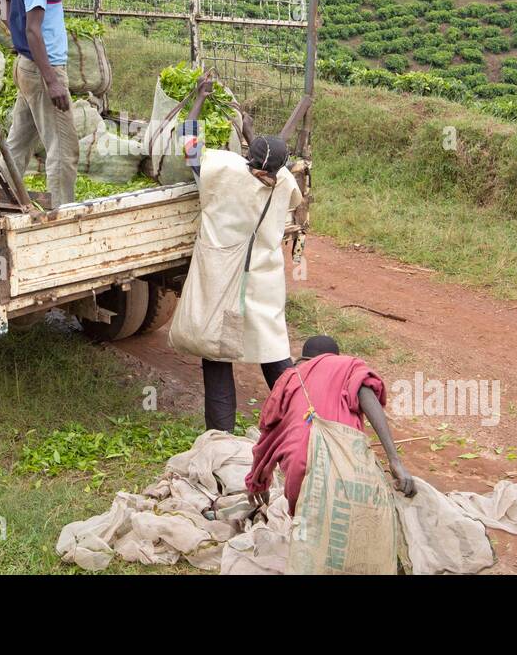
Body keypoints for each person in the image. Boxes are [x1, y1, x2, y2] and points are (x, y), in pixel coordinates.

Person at [167, 74, 303, 432]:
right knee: (274, 357)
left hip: (221, 279)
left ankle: (220, 438)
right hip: (264, 283)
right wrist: (251, 133)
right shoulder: (286, 182)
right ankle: (305, 423)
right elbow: (272, 168)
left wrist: (199, 97)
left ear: (247, 157)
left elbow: (189, 142)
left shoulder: (224, 173)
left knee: (216, 359)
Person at [246, 335, 416, 511]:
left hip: (300, 476)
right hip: (347, 471)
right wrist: (395, 461)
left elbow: (267, 438)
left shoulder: (288, 379)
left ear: (302, 360)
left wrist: (257, 482)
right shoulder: (347, 367)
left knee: (308, 531)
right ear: (336, 356)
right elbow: (366, 395)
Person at [0, 0, 78, 207]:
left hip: (27, 68)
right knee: (63, 147)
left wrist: (9, 27)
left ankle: (0, 198)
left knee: (19, 141)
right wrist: (53, 81)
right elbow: (33, 30)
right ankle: (64, 214)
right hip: (44, 71)